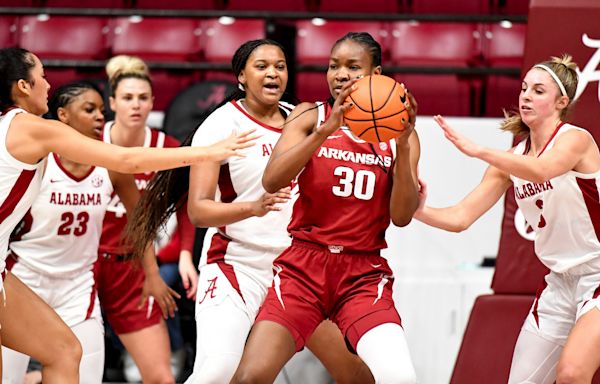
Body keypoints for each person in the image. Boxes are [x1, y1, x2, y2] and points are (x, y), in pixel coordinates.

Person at [126, 38, 377, 383]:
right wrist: (253, 207)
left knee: (356, 373)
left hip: (299, 269)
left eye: (280, 66)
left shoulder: (303, 118)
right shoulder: (220, 125)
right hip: (237, 265)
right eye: (262, 67)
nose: (273, 73)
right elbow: (198, 211)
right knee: (217, 371)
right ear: (241, 76)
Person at [0, 47, 253, 383]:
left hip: (62, 274)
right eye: (42, 76)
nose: (48, 84)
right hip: (27, 266)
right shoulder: (29, 127)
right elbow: (127, 161)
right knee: (61, 353)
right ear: (23, 86)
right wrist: (208, 151)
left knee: (64, 352)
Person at [227, 32, 421, 384]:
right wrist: (325, 131)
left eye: (353, 67)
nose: (340, 75)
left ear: (377, 74)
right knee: (249, 377)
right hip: (304, 268)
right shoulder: (309, 115)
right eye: (334, 66)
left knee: (398, 377)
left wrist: (405, 147)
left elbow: (402, 216)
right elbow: (272, 180)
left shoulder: (399, 133)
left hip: (361, 274)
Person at [414, 55, 600, 384]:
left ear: (561, 102)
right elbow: (460, 218)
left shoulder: (575, 139)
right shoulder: (510, 160)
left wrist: (477, 150)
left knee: (572, 374)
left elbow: (543, 169)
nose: (526, 95)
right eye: (524, 88)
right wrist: (415, 210)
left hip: (597, 274)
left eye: (538, 90)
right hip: (559, 282)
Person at [1, 80, 153, 384]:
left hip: (78, 285)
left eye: (101, 110)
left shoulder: (109, 165)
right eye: (89, 109)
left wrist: (152, 272)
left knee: (81, 374)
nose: (100, 116)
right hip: (25, 277)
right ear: (63, 115)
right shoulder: (36, 158)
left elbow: (143, 219)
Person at [94, 54, 197, 383]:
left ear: (153, 102)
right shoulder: (89, 143)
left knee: (161, 377)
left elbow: (186, 205)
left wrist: (184, 255)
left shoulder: (165, 148)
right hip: (82, 264)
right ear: (112, 102)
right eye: (127, 98)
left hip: (135, 266)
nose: (135, 105)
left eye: (142, 98)